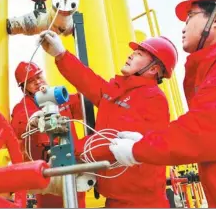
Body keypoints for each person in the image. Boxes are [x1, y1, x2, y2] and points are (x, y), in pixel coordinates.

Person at [107, 0, 216, 207]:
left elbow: (203, 132)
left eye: (190, 16)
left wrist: (137, 149)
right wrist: (146, 140)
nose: (184, 26)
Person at [39, 31, 178, 207]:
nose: (131, 55)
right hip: (115, 200)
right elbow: (88, 81)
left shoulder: (152, 99)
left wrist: (68, 152)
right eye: (134, 51)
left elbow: (113, 142)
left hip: (142, 203)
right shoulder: (119, 91)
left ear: (153, 69)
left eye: (139, 54)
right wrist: (61, 54)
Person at [10, 61, 86, 208]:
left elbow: (85, 105)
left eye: (39, 76)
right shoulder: (23, 108)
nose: (38, 82)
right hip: (46, 170)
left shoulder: (61, 97)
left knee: (78, 202)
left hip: (72, 162)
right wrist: (35, 120)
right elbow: (19, 127)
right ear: (23, 87)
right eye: (31, 81)